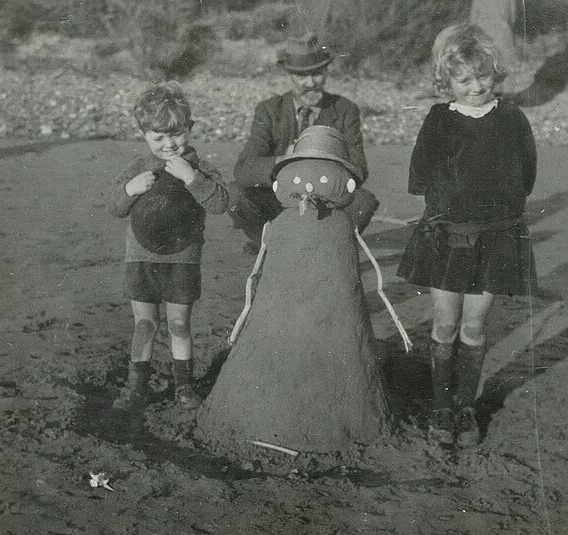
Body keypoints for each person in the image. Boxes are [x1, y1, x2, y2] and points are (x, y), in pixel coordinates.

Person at [396, 23, 538, 446]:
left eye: (483, 77)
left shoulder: (512, 119)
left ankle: (465, 408)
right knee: (445, 323)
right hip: (449, 239)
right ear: (447, 81)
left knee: (474, 327)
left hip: (497, 240)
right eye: (464, 80)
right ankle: (441, 407)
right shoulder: (439, 120)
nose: (476, 87)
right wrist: (452, 203)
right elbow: (420, 176)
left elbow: (526, 175)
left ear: (495, 74)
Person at [109, 82, 231, 411]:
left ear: (189, 128)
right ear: (144, 134)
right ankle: (138, 385)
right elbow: (115, 206)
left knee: (179, 324)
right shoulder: (138, 167)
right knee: (145, 324)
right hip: (140, 257)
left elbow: (221, 203)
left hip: (183, 258)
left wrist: (192, 178)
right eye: (158, 137)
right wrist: (131, 189)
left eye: (176, 135)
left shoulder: (200, 168)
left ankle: (184, 387)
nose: (169, 145)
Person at [228, 34, 379, 253]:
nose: (311, 83)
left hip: (325, 197)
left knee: (363, 202)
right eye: (302, 75)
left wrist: (323, 166)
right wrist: (283, 160)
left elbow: (359, 169)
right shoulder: (269, 110)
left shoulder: (345, 110)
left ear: (326, 71)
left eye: (317, 73)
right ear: (289, 75)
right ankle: (271, 245)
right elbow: (244, 170)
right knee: (235, 195)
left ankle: (326, 251)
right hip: (278, 196)